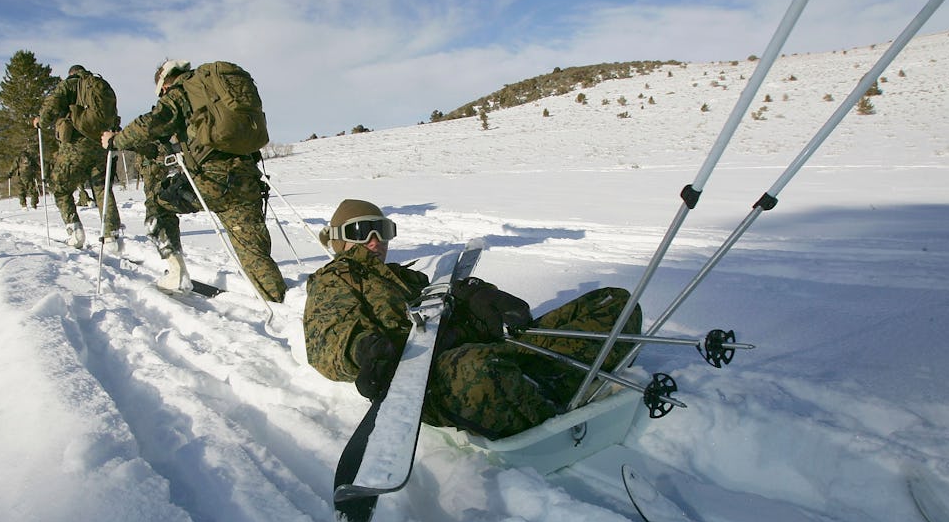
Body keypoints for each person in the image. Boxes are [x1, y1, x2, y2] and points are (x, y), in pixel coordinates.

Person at [303, 199, 643, 440]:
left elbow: (445, 298)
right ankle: (551, 402)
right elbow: (328, 337)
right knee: (480, 368)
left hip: (485, 348)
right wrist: (363, 349)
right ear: (338, 239)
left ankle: (544, 382)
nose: (375, 242)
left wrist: (478, 295)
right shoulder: (334, 279)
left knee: (614, 303)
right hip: (427, 378)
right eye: (361, 231)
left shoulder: (404, 277)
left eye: (381, 230)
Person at [101, 59, 286, 302]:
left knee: (156, 204)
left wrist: (116, 140)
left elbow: (151, 124)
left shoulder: (180, 94)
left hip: (213, 181)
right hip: (248, 178)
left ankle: (176, 273)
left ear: (164, 86)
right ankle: (279, 301)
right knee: (254, 255)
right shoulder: (213, 91)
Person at [33, 64, 122, 250]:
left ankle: (75, 231)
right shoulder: (98, 85)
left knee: (60, 188)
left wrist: (40, 121)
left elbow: (51, 106)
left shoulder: (69, 85)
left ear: (71, 74)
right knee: (102, 189)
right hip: (101, 143)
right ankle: (112, 236)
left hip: (76, 145)